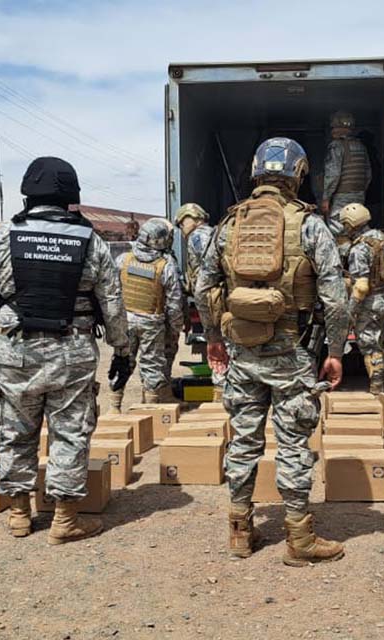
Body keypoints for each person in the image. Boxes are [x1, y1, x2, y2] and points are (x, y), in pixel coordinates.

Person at [194, 137, 350, 566]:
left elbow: (204, 287)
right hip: (293, 351)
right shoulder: (310, 224)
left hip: (242, 351)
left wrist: (212, 338)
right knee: (294, 442)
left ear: (256, 174)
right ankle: (299, 541)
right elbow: (336, 297)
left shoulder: (228, 225)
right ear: (298, 174)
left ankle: (239, 532)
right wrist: (334, 350)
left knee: (243, 441)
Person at [0, 156, 132, 544]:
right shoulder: (90, 239)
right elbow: (112, 301)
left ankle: (20, 515)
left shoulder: (4, 235)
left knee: (15, 430)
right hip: (72, 350)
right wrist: (122, 351)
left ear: (28, 192)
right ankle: (64, 520)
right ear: (70, 195)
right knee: (70, 433)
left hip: (15, 349)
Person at [112, 217, 185, 411]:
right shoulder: (165, 265)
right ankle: (151, 410)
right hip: (152, 323)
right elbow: (175, 301)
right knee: (152, 365)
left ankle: (114, 407)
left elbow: (112, 292)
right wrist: (176, 327)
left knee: (122, 361)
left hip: (125, 321)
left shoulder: (123, 260)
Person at [340, 203, 384, 394]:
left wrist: (351, 309)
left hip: (370, 301)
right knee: (379, 339)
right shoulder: (382, 238)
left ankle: (376, 387)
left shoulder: (359, 248)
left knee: (369, 344)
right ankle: (379, 378)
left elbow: (361, 286)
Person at [176, 202, 224, 401]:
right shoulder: (211, 234)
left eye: (182, 223)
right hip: (217, 300)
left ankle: (220, 399)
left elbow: (209, 274)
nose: (182, 228)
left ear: (193, 219)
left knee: (220, 351)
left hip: (214, 303)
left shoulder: (199, 236)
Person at [320, 111, 371, 239]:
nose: (332, 130)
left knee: (338, 233)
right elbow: (368, 174)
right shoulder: (361, 146)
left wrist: (326, 198)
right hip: (359, 196)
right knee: (358, 230)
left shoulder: (336, 146)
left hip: (340, 198)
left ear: (341, 127)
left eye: (334, 127)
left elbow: (333, 174)